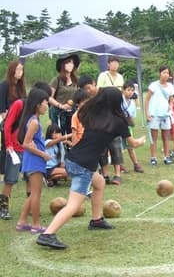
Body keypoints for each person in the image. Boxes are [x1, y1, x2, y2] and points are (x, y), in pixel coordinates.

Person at [37, 87, 145, 249]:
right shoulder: (118, 121)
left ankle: (96, 220)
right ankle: (47, 234)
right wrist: (141, 140)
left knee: (99, 183)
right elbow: (133, 144)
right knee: (73, 204)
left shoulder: (92, 114)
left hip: (73, 159)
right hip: (84, 165)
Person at [0, 81, 51, 220]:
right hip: (15, 148)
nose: (46, 103)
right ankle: (3, 207)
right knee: (10, 178)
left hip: (28, 150)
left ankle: (30, 207)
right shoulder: (19, 104)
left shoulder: (35, 113)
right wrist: (8, 144)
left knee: (30, 177)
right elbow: (8, 125)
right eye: (45, 100)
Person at [16, 88, 51, 234]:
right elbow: (26, 143)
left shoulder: (33, 120)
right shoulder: (34, 122)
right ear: (37, 104)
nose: (46, 106)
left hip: (34, 160)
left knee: (33, 194)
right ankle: (36, 225)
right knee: (36, 193)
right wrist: (43, 154)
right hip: (35, 161)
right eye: (45, 102)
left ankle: (22, 222)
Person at [0, 61, 26, 175]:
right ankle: (3, 169)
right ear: (12, 71)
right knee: (6, 143)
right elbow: (1, 104)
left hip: (19, 119)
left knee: (19, 143)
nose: (20, 72)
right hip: (7, 118)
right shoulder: (5, 85)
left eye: (22, 70)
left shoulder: (21, 86)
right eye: (18, 69)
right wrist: (4, 117)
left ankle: (17, 167)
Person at [145, 65, 174, 165]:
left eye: (167, 73)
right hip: (154, 114)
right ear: (160, 73)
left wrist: (170, 108)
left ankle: (166, 157)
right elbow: (147, 99)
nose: (166, 75)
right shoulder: (153, 85)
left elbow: (171, 100)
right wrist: (147, 113)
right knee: (153, 137)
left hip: (165, 115)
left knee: (166, 136)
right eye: (164, 72)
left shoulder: (170, 86)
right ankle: (153, 157)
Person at [49, 54, 80, 135]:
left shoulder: (76, 80)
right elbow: (49, 97)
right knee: (59, 133)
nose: (71, 65)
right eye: (68, 63)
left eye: (72, 63)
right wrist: (60, 106)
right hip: (58, 113)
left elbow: (80, 94)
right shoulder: (56, 80)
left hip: (72, 112)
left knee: (72, 133)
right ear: (62, 65)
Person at [121, 82, 144, 173]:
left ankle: (136, 164)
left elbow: (132, 118)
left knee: (130, 146)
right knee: (119, 147)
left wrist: (131, 122)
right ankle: (121, 165)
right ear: (123, 90)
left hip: (128, 127)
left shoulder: (132, 103)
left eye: (132, 90)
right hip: (118, 126)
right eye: (128, 90)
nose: (130, 92)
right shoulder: (119, 101)